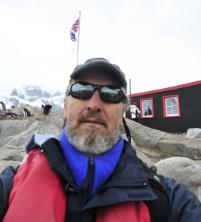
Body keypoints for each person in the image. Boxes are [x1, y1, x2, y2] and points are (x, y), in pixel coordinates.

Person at [0, 58, 201, 222]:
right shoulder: (9, 185)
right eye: (81, 89)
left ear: (123, 110)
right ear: (65, 106)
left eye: (111, 94)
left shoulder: (167, 199)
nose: (94, 104)